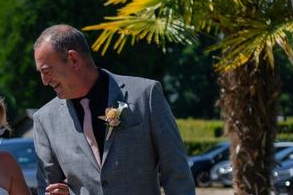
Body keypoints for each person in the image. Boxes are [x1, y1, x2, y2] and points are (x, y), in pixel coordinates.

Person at [33, 24, 196, 195]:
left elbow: (177, 171)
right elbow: (47, 188)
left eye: (46, 71)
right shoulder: (44, 119)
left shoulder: (145, 95)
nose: (44, 81)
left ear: (74, 60)